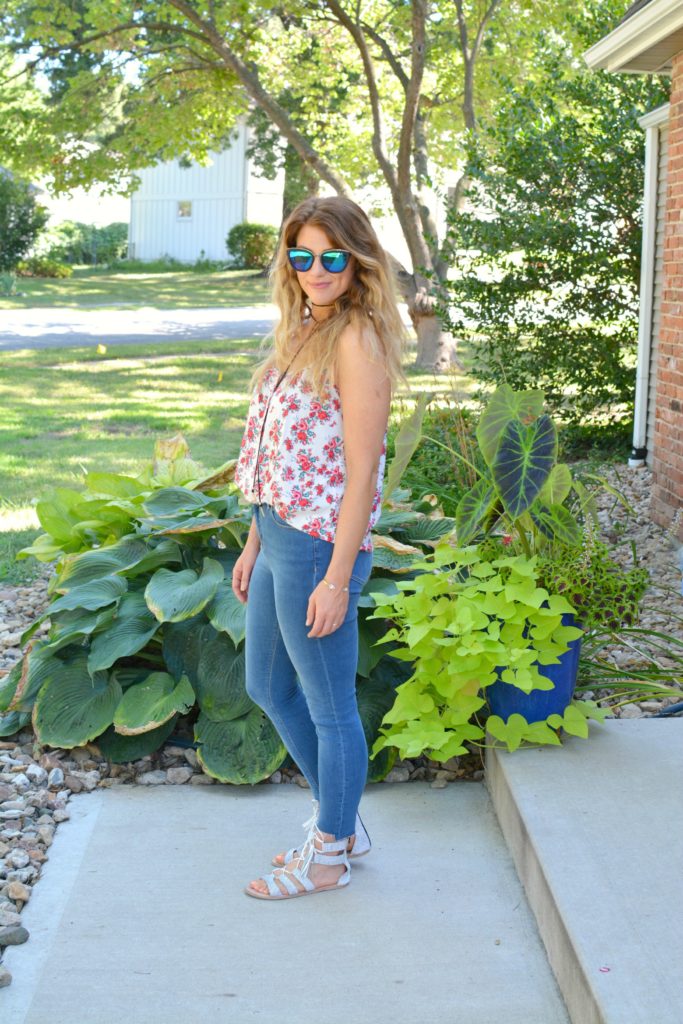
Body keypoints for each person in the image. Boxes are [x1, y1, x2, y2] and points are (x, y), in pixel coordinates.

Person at [232, 195, 407, 901]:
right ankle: (344, 822)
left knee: (331, 708)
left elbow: (363, 469)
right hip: (276, 534)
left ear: (356, 259)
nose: (314, 269)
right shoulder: (302, 327)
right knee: (266, 686)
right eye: (300, 255)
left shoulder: (356, 338)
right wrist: (251, 541)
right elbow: (273, 451)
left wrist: (337, 577)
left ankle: (330, 854)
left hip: (316, 547)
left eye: (329, 256)